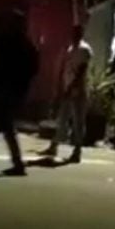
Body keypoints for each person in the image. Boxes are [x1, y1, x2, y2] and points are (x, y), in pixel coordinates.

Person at [0, 10, 38, 176]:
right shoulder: (27, 45)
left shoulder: (4, 41)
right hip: (15, 90)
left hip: (2, 87)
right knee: (2, 124)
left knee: (2, 124)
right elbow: (33, 68)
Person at [41, 24, 93, 163]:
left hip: (78, 90)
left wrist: (72, 87)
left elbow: (82, 70)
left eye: (76, 33)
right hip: (68, 88)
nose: (74, 35)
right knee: (62, 118)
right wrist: (63, 86)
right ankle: (54, 146)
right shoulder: (71, 48)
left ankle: (77, 151)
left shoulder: (84, 49)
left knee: (78, 121)